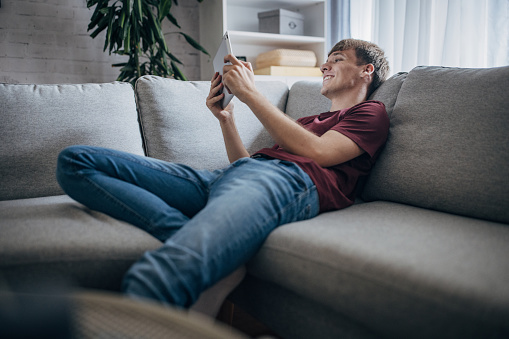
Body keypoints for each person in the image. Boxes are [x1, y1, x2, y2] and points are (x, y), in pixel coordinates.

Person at [56, 38, 390, 315]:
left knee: (156, 276)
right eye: (327, 60)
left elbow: (320, 154)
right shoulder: (305, 122)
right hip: (233, 176)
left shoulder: (370, 112)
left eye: (337, 59)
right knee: (76, 161)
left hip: (286, 184)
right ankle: (214, 249)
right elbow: (246, 163)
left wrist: (250, 94)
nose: (324, 66)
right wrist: (226, 118)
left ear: (366, 70)